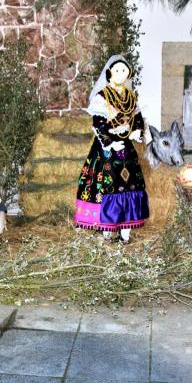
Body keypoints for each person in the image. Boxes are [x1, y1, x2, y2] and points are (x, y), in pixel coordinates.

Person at [73, 55, 151, 243]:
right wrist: (109, 142)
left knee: (130, 184)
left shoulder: (131, 97)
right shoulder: (102, 96)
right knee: (108, 183)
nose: (121, 73)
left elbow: (138, 120)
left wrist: (136, 132)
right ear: (109, 73)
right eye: (117, 70)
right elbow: (98, 123)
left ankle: (125, 232)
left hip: (127, 149)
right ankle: (107, 230)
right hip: (107, 149)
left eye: (124, 70)